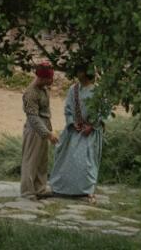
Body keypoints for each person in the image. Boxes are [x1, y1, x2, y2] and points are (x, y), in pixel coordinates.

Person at [49, 71, 106, 197]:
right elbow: (68, 110)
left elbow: (104, 112)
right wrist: (72, 123)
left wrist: (92, 126)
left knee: (86, 162)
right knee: (66, 159)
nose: (77, 73)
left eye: (80, 71)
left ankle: (85, 191)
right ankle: (63, 189)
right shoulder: (73, 89)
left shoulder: (98, 91)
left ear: (86, 73)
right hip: (74, 130)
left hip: (90, 132)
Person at [21, 63, 58, 198]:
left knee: (42, 161)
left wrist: (49, 130)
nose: (52, 81)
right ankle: (27, 191)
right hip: (34, 130)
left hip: (44, 127)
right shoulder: (31, 93)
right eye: (50, 78)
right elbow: (33, 117)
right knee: (31, 161)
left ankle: (40, 188)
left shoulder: (44, 89)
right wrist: (47, 134)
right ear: (42, 78)